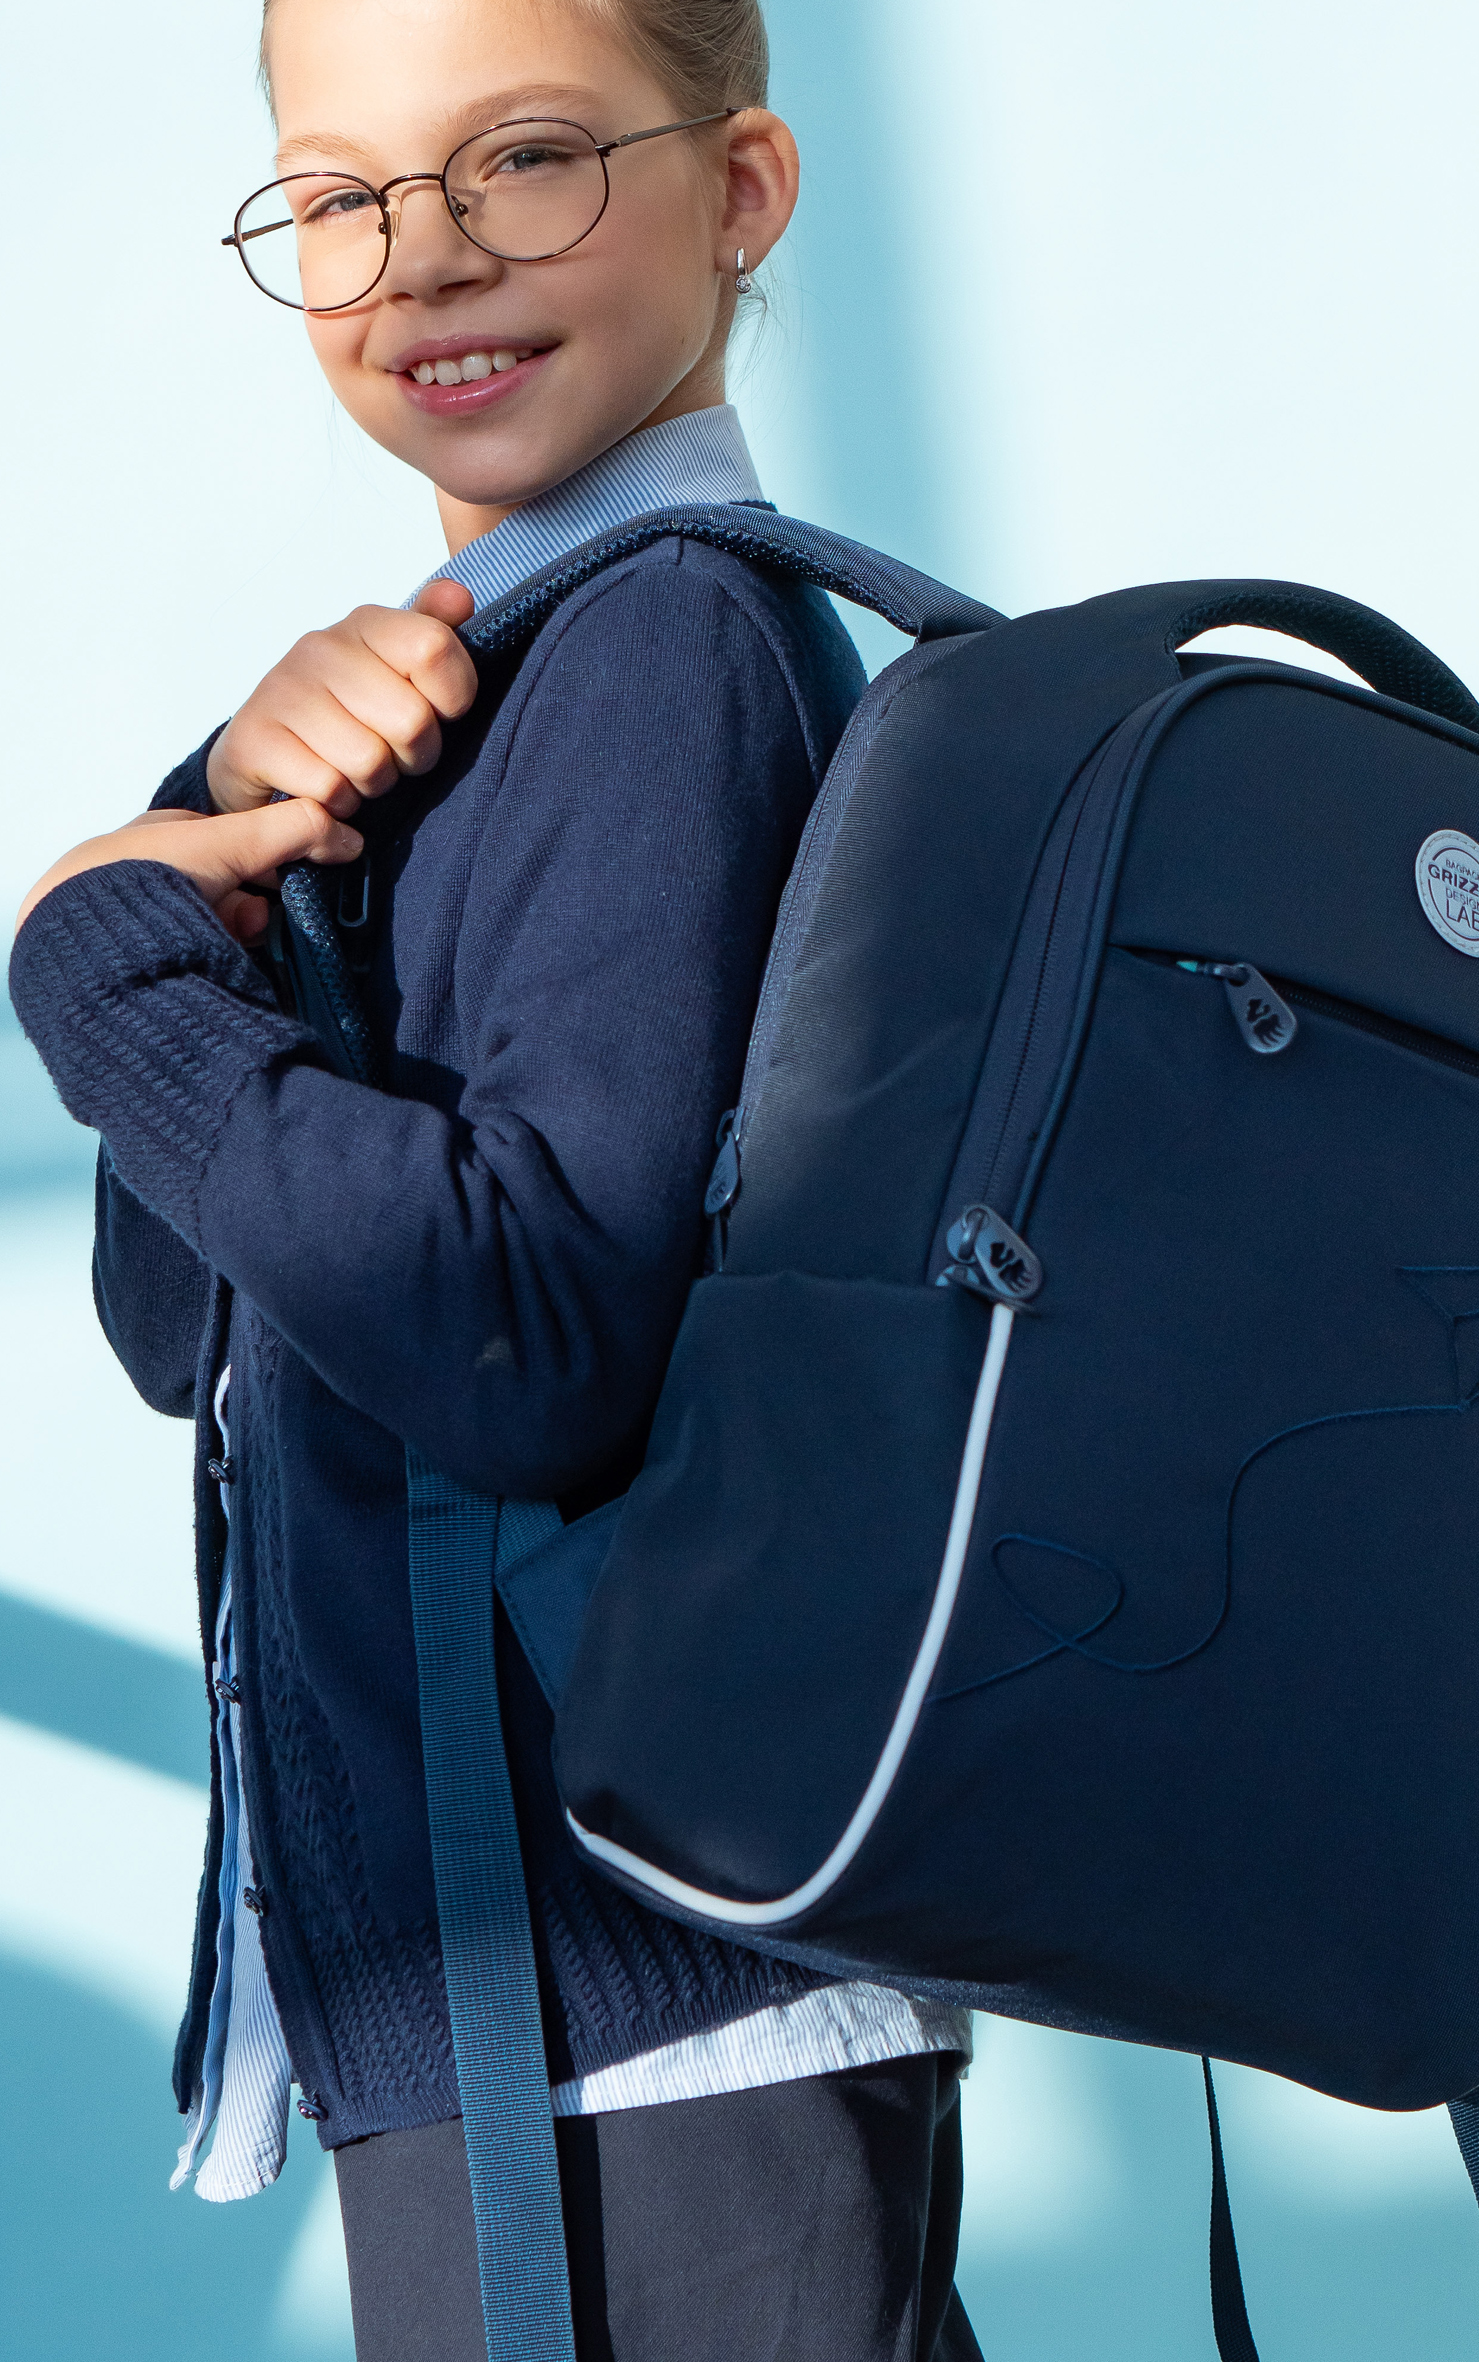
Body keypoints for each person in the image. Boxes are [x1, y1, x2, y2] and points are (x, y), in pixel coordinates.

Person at [9, 3, 983, 2356]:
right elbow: (193, 1326)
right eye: (339, 196)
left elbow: (522, 1339)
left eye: (524, 155)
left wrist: (96, 960)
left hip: (624, 2027)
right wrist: (227, 826)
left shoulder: (661, 647)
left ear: (742, 190)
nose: (425, 255)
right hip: (541, 2017)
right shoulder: (497, 694)